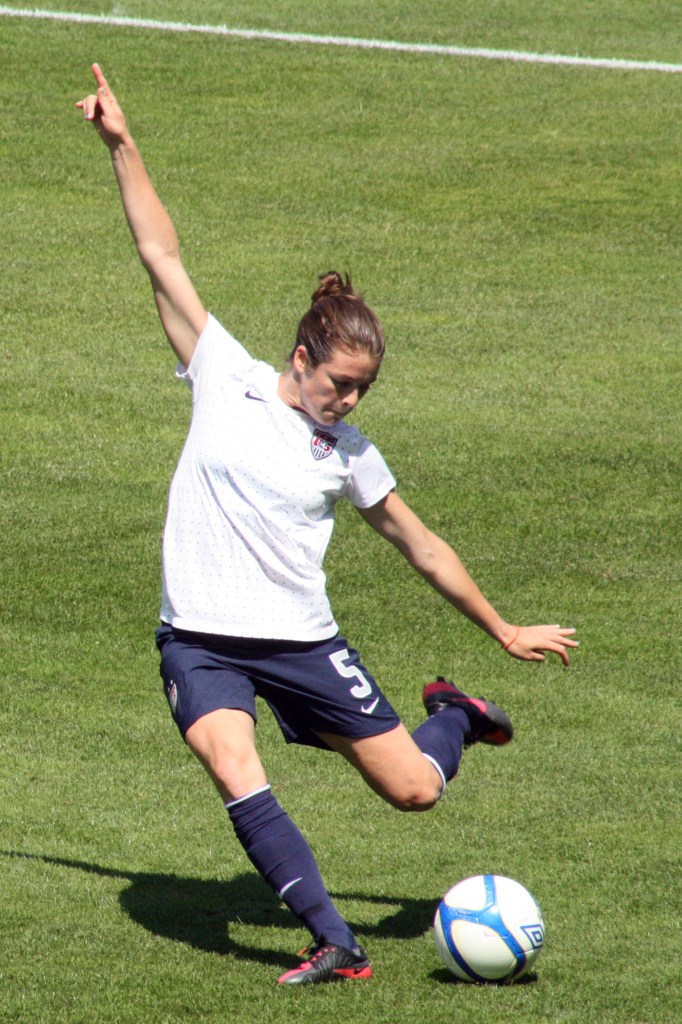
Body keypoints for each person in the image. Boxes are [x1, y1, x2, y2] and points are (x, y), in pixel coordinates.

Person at [77, 63, 578, 986]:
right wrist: (123, 145)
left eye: (363, 390)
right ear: (301, 356)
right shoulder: (223, 375)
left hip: (303, 643)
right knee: (231, 761)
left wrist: (502, 628)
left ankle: (456, 716)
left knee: (414, 791)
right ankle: (334, 941)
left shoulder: (351, 455)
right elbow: (162, 256)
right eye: (339, 382)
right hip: (201, 639)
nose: (348, 400)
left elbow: (421, 546)